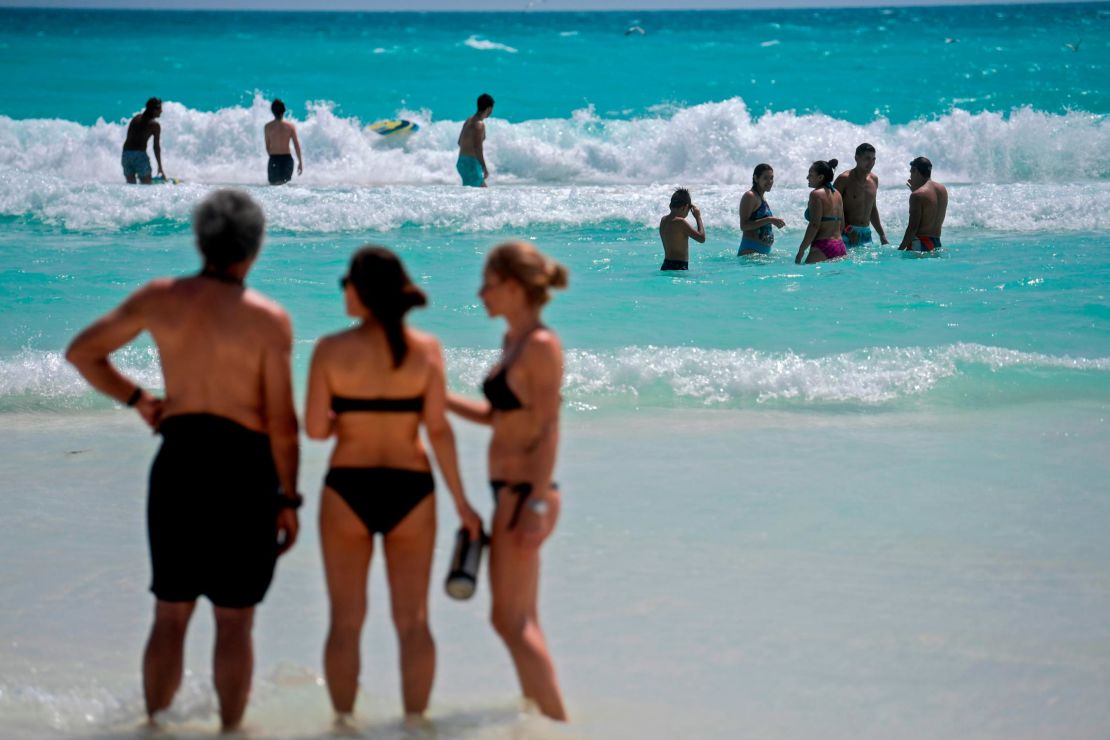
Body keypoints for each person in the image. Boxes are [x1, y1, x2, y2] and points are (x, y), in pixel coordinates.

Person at [65, 190, 301, 731]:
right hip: (245, 470)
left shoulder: (160, 298)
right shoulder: (269, 320)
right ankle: (231, 730)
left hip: (181, 461)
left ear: (200, 241)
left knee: (170, 614)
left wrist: (139, 400)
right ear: (255, 249)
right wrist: (288, 497)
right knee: (235, 622)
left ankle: (154, 727)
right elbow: (282, 424)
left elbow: (83, 352)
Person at [305, 246, 482, 725]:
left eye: (347, 283)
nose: (343, 290)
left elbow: (316, 431)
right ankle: (415, 727)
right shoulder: (426, 350)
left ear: (362, 292)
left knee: (345, 622)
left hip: (347, 489)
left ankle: (343, 727)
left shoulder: (330, 350)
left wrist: (350, 418)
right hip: (412, 489)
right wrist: (463, 504)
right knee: (413, 622)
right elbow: (438, 430)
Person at [447, 241, 569, 721]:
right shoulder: (513, 342)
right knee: (523, 621)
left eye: (489, 284)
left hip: (525, 496)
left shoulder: (540, 346)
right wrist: (435, 397)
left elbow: (549, 428)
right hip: (512, 495)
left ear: (514, 287)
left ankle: (558, 723)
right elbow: (497, 418)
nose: (480, 293)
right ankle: (539, 720)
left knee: (509, 622)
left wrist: (536, 502)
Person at [834, 143, 890, 247]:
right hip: (846, 233)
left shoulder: (874, 180)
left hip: (866, 234)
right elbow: (832, 208)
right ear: (856, 158)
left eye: (873, 159)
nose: (871, 163)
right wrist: (848, 230)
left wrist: (882, 235)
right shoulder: (844, 179)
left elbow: (872, 209)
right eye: (867, 158)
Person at [795, 159, 847, 264]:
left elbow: (814, 225)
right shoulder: (837, 194)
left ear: (820, 177)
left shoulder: (816, 195)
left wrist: (801, 250)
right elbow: (842, 225)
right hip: (840, 246)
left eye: (810, 174)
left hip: (823, 246)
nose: (807, 177)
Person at [899, 156, 948, 253]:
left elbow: (912, 228)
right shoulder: (942, 189)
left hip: (920, 243)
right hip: (936, 243)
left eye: (911, 172)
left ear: (915, 171)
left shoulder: (917, 195)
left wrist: (900, 249)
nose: (910, 177)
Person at [738, 164, 786, 256]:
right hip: (750, 251)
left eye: (771, 178)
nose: (769, 181)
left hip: (761, 253)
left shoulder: (761, 197)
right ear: (756, 178)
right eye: (765, 178)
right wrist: (770, 219)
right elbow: (744, 226)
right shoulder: (750, 196)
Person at [658, 188, 705, 270]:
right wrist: (698, 217)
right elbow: (701, 238)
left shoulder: (663, 220)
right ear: (685, 207)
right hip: (679, 266)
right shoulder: (680, 222)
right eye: (688, 209)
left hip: (665, 265)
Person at [121, 97, 165, 184]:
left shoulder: (135, 118)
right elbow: (156, 147)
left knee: (131, 188)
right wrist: (160, 167)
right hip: (139, 156)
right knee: (146, 186)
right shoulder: (154, 125)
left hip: (126, 155)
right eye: (160, 109)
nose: (161, 111)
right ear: (154, 110)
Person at [457, 93, 494, 187]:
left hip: (461, 162)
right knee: (480, 196)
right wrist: (484, 167)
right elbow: (478, 148)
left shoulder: (468, 120)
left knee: (475, 195)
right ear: (489, 109)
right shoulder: (480, 125)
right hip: (471, 164)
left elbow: (459, 142)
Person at [264, 99, 303, 186]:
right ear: (284, 110)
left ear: (272, 111)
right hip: (287, 160)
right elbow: (297, 146)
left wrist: (273, 158)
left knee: (273, 187)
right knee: (284, 187)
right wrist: (300, 162)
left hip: (274, 158)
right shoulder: (290, 126)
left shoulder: (268, 127)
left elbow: (267, 146)